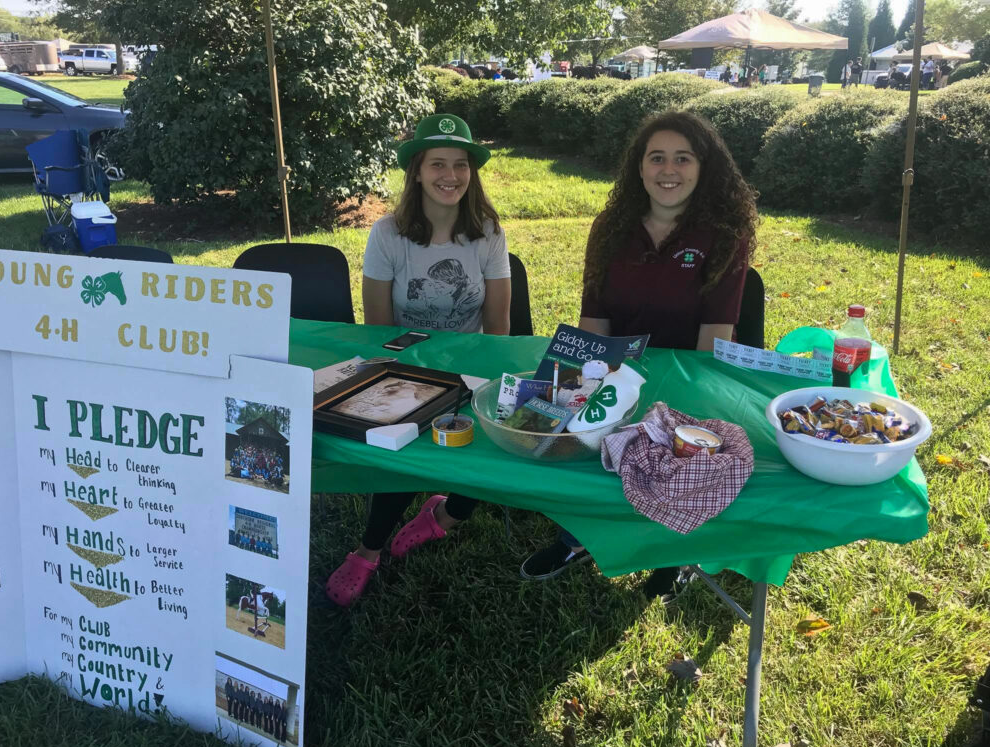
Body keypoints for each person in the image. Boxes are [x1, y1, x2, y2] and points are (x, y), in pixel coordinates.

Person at [518, 111, 758, 594]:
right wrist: (584, 389)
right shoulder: (610, 227)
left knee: (672, 458)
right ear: (640, 167)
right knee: (578, 441)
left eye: (683, 158)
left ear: (703, 167)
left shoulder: (726, 233)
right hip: (616, 373)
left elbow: (714, 340)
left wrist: (666, 407)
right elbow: (594, 322)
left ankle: (670, 554)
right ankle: (578, 536)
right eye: (657, 158)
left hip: (692, 381)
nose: (669, 170)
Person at [324, 113, 511, 607]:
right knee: (398, 446)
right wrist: (411, 384)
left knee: (492, 451)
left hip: (470, 368)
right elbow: (381, 328)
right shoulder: (388, 234)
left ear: (472, 172)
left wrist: (489, 389)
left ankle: (443, 516)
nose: (450, 175)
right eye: (437, 164)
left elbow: (499, 329)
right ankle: (368, 549)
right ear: (417, 172)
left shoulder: (489, 232)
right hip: (406, 368)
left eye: (460, 164)